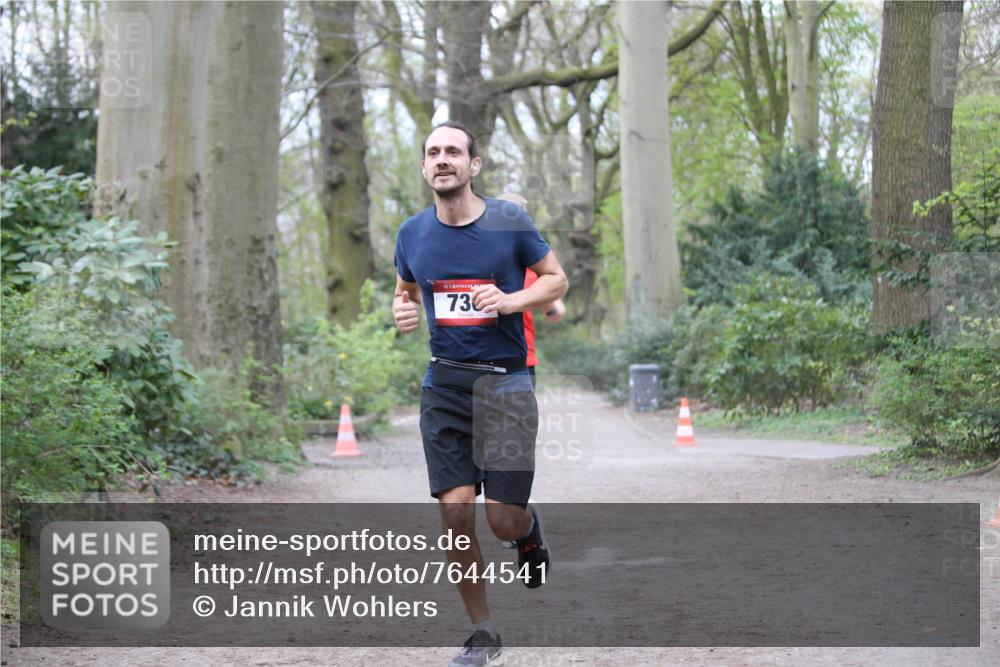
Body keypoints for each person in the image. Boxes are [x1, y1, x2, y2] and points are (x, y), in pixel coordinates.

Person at [392, 121, 569, 667]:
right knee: (455, 510)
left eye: (453, 151)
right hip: (443, 383)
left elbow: (556, 281)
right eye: (433, 152)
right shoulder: (412, 233)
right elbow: (404, 288)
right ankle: (484, 632)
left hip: (507, 382)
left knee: (501, 520)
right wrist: (400, 310)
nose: (442, 159)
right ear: (424, 167)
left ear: (474, 166)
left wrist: (513, 301)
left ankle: (527, 532)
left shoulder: (508, 222)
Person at [496, 193, 566, 388]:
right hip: (480, 360)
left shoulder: (534, 266)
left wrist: (551, 305)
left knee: (517, 418)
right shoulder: (482, 257)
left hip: (520, 359)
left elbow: (556, 311)